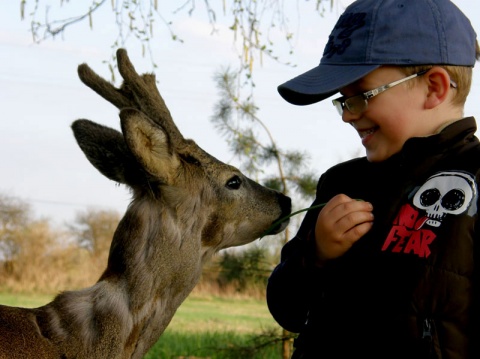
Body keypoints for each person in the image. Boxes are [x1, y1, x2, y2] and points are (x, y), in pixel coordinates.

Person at [266, 0, 480, 358]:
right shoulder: (340, 183)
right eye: (342, 101)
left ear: (434, 88)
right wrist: (315, 257)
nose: (348, 116)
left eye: (361, 97)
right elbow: (288, 310)